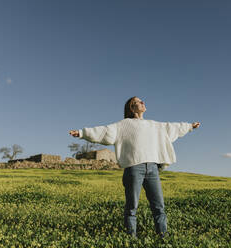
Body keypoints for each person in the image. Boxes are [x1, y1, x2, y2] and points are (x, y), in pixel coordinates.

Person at [69, 96, 200, 239]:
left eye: (142, 101)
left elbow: (172, 127)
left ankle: (163, 237)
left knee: (159, 206)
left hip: (152, 168)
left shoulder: (154, 125)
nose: (143, 102)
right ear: (132, 108)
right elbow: (104, 131)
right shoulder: (123, 125)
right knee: (132, 207)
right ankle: (131, 238)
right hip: (134, 168)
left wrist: (189, 126)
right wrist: (82, 133)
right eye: (138, 101)